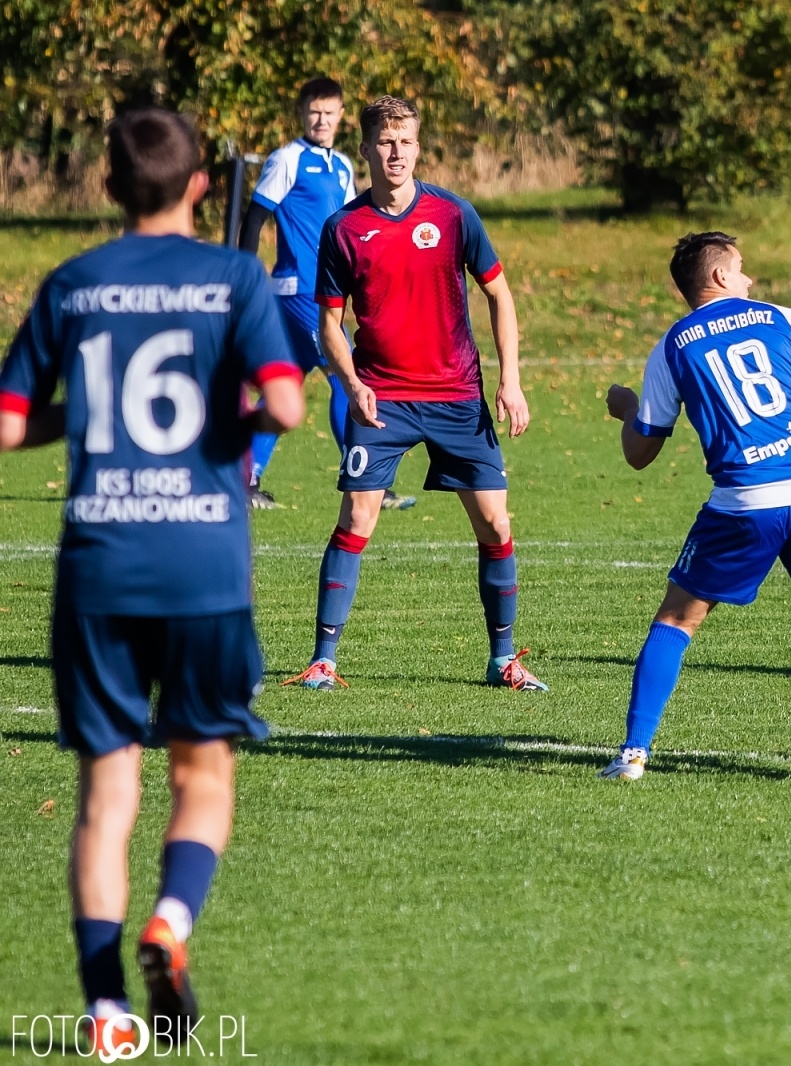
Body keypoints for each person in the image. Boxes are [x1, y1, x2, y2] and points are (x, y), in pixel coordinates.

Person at [0, 109, 304, 1052]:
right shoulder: (234, 277)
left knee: (106, 791)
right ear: (204, 187)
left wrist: (85, 424)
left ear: (105, 189)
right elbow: (286, 405)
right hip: (203, 563)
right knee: (203, 775)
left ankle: (103, 1013)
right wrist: (233, 402)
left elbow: (9, 427)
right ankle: (171, 921)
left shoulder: (74, 283)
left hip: (100, 565)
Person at [283, 95, 545, 693]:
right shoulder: (344, 228)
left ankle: (503, 660)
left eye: (406, 141)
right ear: (367, 148)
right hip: (383, 400)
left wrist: (510, 380)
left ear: (418, 147)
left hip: (456, 395)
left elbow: (499, 295)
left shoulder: (453, 215)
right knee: (356, 514)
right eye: (385, 141)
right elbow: (329, 322)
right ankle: (324, 659)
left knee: (496, 526)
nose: (396, 152)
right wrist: (350, 384)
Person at [599, 231, 791, 783]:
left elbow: (639, 453)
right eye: (743, 268)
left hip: (746, 500)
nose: (750, 278)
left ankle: (632, 754)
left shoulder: (672, 347)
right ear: (720, 276)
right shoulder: (784, 318)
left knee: (678, 618)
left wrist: (627, 407)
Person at [238, 78, 415, 512]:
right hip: (298, 288)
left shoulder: (340, 167)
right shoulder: (288, 159)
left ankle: (246, 478)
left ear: (340, 116)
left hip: (328, 290)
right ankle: (366, 475)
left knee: (286, 382)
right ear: (303, 114)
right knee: (344, 374)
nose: (321, 120)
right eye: (314, 112)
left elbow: (354, 228)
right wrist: (244, 275)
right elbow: (255, 217)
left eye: (329, 112)